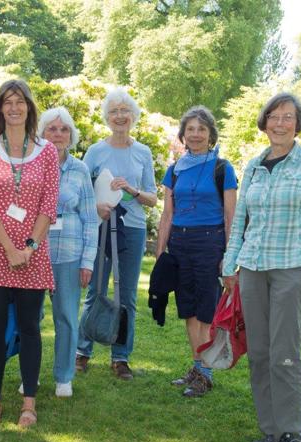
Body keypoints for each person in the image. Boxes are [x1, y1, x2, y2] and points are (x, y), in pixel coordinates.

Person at [222, 92, 301, 442]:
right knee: (259, 353)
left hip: (290, 270)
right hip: (253, 269)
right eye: (274, 116)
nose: (280, 123)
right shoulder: (254, 165)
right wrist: (230, 263)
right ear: (264, 121)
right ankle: (271, 431)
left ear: (298, 123)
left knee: (284, 354)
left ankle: (294, 435)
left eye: (288, 116)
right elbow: (240, 221)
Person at [0, 79, 59, 427]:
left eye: (20, 101)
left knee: (30, 327)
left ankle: (29, 404)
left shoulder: (47, 151)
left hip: (32, 253)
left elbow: (48, 204)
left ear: (29, 107)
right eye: (7, 102)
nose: (14, 107)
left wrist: (29, 247)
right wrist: (10, 248)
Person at [75, 88, 158, 380]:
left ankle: (120, 357)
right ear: (107, 117)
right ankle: (82, 352)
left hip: (132, 230)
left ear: (133, 116)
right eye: (114, 111)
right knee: (94, 289)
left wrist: (132, 191)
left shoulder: (143, 152)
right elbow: (81, 190)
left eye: (125, 111)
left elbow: (152, 198)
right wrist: (97, 206)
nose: (120, 116)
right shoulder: (96, 151)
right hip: (100, 229)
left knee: (127, 297)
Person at [156, 106, 237, 397]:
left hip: (209, 243)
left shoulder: (222, 169)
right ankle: (196, 366)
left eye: (202, 129)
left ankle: (206, 372)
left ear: (211, 134)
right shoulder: (174, 170)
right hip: (180, 243)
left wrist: (231, 254)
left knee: (206, 311)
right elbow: (167, 214)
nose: (196, 134)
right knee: (188, 309)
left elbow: (231, 216)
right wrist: (161, 252)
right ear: (183, 134)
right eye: (190, 129)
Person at [37, 107, 99, 398]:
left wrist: (87, 261)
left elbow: (90, 218)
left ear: (71, 135)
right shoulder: (32, 164)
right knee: (30, 318)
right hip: (34, 253)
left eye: (64, 130)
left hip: (70, 254)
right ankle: (30, 374)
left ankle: (64, 376)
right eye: (52, 128)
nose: (58, 134)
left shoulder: (80, 170)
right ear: (41, 133)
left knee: (66, 317)